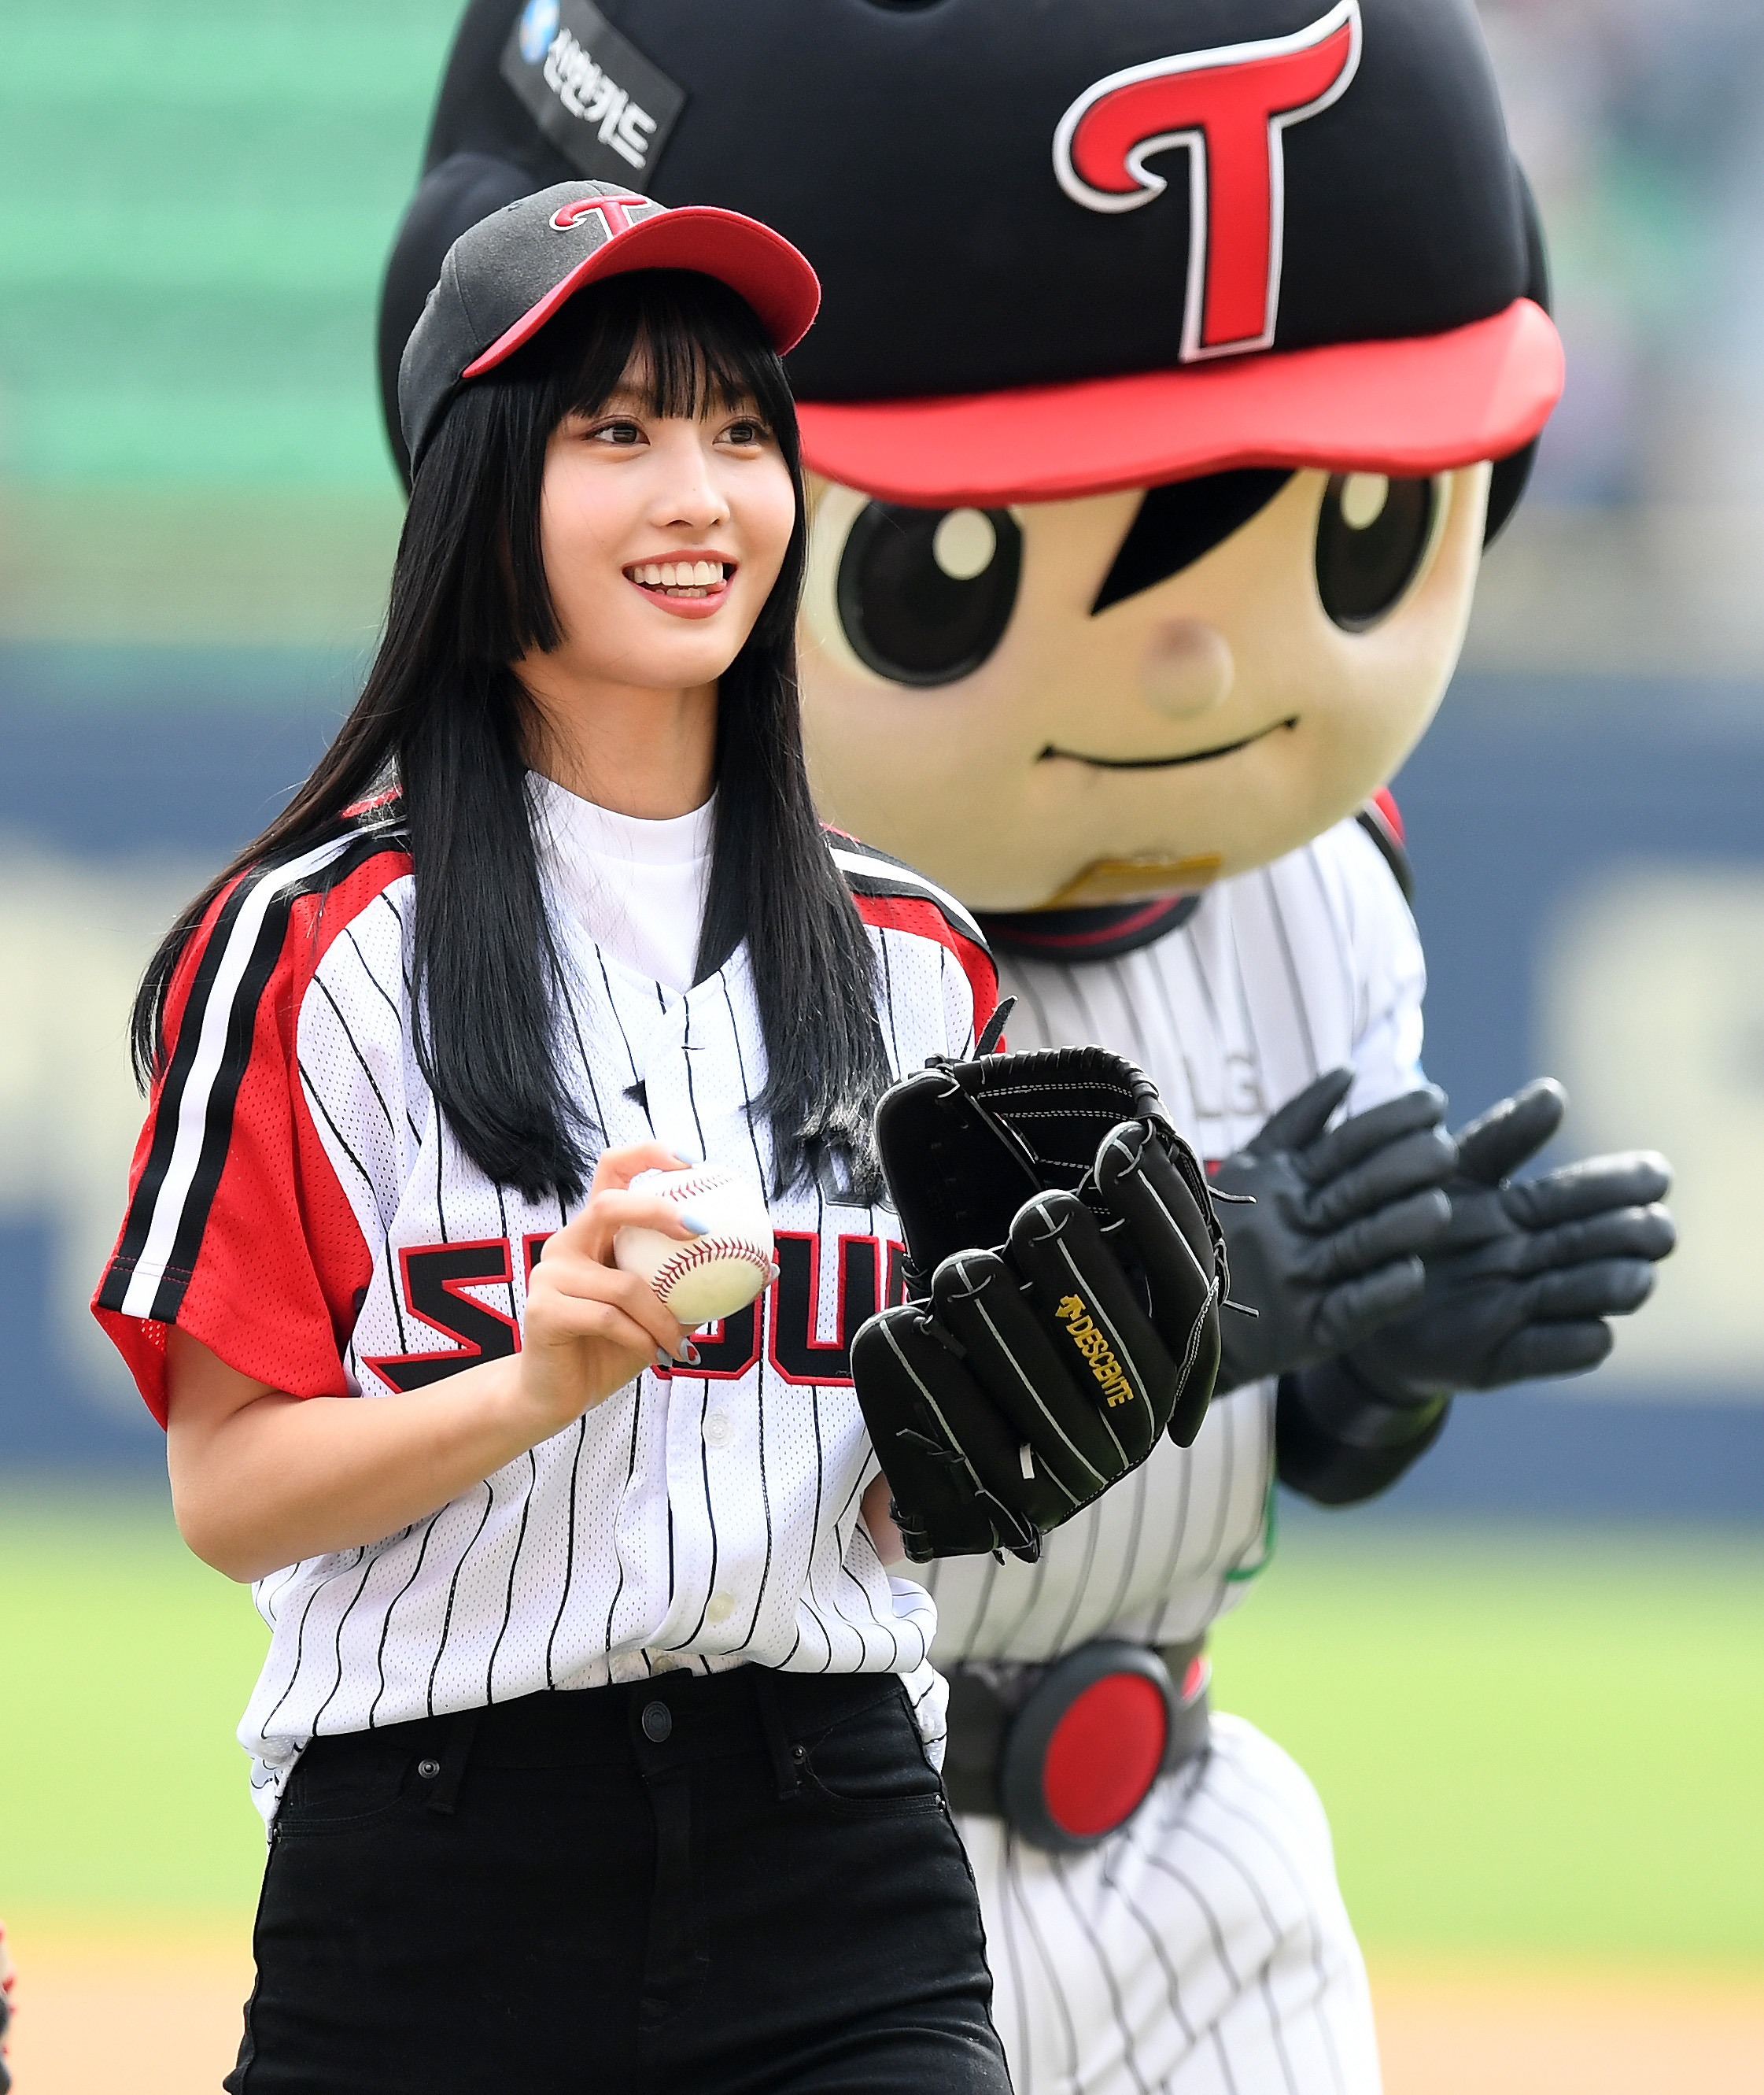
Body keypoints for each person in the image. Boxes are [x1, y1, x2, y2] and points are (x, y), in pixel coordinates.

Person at [374, 6, 1677, 2090]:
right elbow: (667, 1495)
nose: (1199, 670)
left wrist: (1373, 1359)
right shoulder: (570, 936)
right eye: (945, 568)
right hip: (759, 1880)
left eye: (1350, 530)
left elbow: (1288, 1446)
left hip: (1185, 1860)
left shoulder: (1321, 882)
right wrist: (1164, 1311)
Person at [94, 182, 1016, 2094]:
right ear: (480, 491)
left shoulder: (920, 961)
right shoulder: (313, 948)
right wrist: (533, 1383)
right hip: (435, 1868)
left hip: (835, 1848)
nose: (700, 495)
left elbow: (884, 1501)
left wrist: (1016, 1427)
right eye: (617, 432)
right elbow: (230, 1487)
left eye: (740, 431)